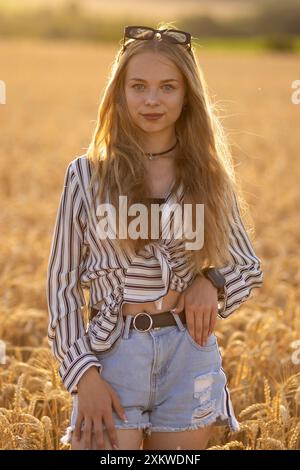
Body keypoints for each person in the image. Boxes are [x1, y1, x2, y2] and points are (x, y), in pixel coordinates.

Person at [46, 24, 264, 451]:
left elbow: (247, 266)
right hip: (112, 354)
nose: (151, 99)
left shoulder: (209, 177)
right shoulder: (86, 175)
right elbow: (61, 285)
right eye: (139, 86)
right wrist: (82, 374)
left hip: (189, 355)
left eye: (168, 87)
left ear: (187, 96)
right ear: (119, 93)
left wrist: (212, 282)